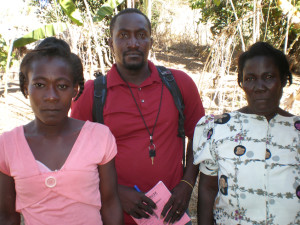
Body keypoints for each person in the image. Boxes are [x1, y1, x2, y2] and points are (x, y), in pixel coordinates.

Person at [71, 8, 205, 225]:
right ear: (110, 41)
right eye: (123, 35)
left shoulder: (179, 83)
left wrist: (187, 185)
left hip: (171, 214)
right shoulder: (91, 94)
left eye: (141, 35)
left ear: (151, 41)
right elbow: (73, 159)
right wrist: (115, 191)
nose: (133, 43)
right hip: (115, 216)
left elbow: (200, 138)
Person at [0, 37, 123, 225]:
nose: (51, 96)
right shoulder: (7, 145)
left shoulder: (99, 137)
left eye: (62, 86)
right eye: (40, 85)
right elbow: (7, 216)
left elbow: (110, 203)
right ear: (26, 87)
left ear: (75, 90)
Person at [193, 42, 299, 225]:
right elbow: (208, 189)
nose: (259, 87)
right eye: (250, 78)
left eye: (268, 77)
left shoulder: (296, 130)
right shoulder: (218, 128)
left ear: (283, 80)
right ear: (241, 83)